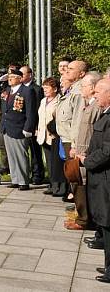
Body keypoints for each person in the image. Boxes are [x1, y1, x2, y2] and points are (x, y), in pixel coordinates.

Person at [76, 78, 110, 283]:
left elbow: (107, 151)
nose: (95, 95)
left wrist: (87, 160)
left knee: (108, 223)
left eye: (98, 92)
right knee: (105, 224)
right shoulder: (105, 114)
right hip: (100, 178)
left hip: (106, 178)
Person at [68, 72, 102, 230]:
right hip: (80, 151)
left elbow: (95, 133)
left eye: (84, 86)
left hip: (88, 153)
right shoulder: (88, 103)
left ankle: (85, 220)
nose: (81, 88)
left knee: (83, 186)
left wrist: (86, 152)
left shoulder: (97, 107)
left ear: (93, 87)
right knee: (78, 183)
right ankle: (82, 217)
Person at [0, 68, 36, 190]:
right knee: (11, 156)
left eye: (12, 77)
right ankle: (15, 179)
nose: (9, 80)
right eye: (9, 78)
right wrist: (0, 80)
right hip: (7, 127)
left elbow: (31, 112)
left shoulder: (27, 91)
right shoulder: (8, 90)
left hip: (19, 127)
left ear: (20, 79)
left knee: (20, 155)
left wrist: (28, 128)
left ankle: (23, 181)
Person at [36, 77, 66, 197]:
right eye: (44, 88)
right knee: (48, 161)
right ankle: (52, 184)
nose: (45, 90)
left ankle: (60, 186)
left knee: (56, 163)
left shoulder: (59, 101)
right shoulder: (43, 101)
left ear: (55, 89)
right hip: (43, 135)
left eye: (47, 88)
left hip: (54, 135)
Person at [21, 65, 46, 185]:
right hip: (21, 124)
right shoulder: (19, 88)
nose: (20, 76)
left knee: (35, 151)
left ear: (30, 75)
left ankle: (38, 175)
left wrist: (36, 126)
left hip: (33, 124)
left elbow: (37, 109)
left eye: (23, 74)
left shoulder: (36, 89)